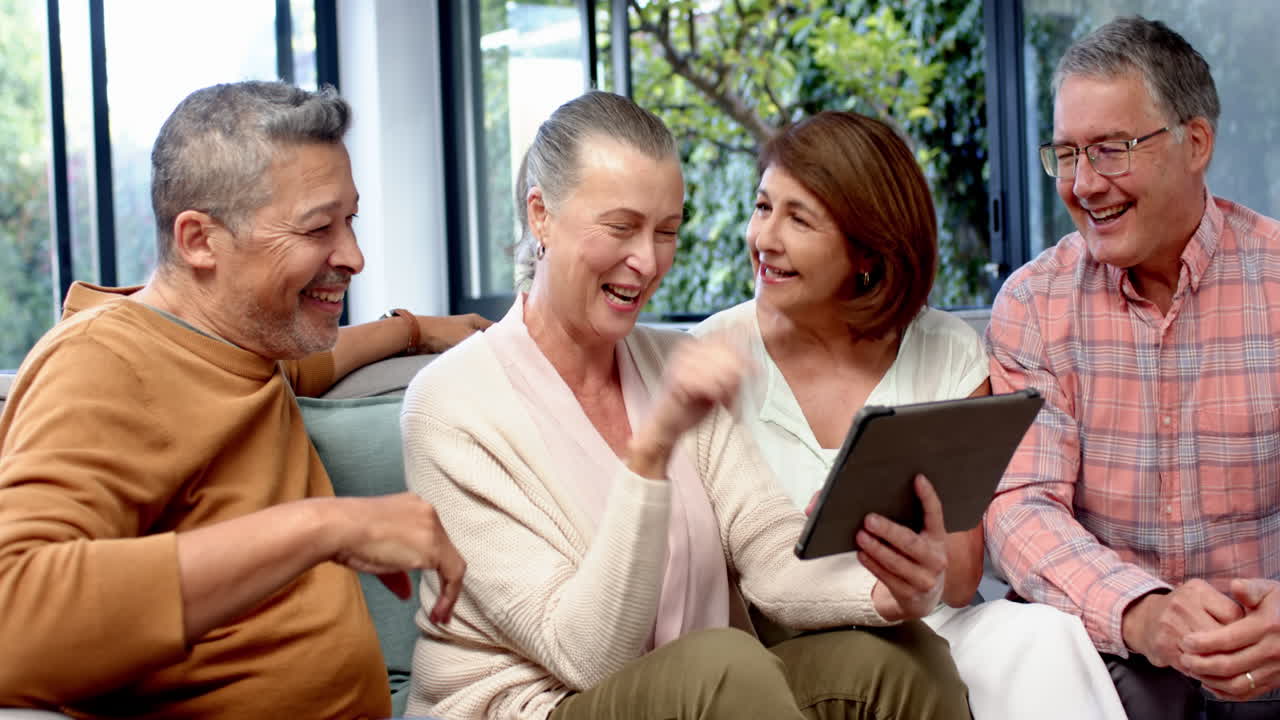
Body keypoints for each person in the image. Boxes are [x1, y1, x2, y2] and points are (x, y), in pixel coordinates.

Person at [401, 91, 970, 720]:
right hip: (542, 706)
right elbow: (585, 655)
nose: (647, 262)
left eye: (666, 231)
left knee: (906, 658)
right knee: (725, 666)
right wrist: (653, 448)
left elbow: (769, 553)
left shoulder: (669, 361)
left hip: (709, 690)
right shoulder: (451, 404)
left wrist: (886, 593)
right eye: (620, 227)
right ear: (541, 215)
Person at [0, 80, 489, 718]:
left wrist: (416, 329)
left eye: (351, 221)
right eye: (318, 228)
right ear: (199, 240)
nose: (355, 256)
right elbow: (13, 620)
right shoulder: (105, 362)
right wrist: (326, 527)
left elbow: (314, 362)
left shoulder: (240, 346)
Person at [691, 110, 1126, 720]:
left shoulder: (945, 348)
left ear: (867, 251)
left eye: (798, 219)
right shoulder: (710, 359)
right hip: (788, 651)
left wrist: (916, 555)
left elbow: (961, 572)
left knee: (1043, 637)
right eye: (763, 208)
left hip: (936, 624)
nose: (765, 237)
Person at [984, 16, 1280, 720]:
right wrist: (1144, 614)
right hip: (1108, 658)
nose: (1085, 184)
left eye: (1111, 150)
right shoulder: (1032, 304)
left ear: (1196, 143)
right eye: (1065, 153)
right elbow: (1020, 506)